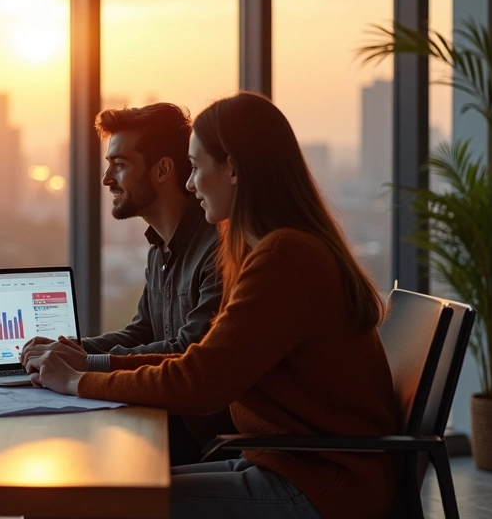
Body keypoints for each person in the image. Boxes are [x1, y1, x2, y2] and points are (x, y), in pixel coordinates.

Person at [24, 92, 399, 518]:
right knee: (92, 492)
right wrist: (83, 364)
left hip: (319, 485)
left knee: (89, 503)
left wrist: (78, 379)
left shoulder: (283, 259)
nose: (189, 183)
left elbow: (198, 380)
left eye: (197, 167)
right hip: (284, 464)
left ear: (234, 169)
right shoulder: (276, 250)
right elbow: (192, 361)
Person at [22, 103, 232, 466]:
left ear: (163, 169)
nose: (106, 178)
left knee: (69, 470)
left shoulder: (218, 248)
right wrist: (67, 349)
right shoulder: (159, 249)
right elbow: (143, 331)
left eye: (119, 164)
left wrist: (85, 364)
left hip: (198, 437)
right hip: (161, 418)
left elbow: (188, 351)